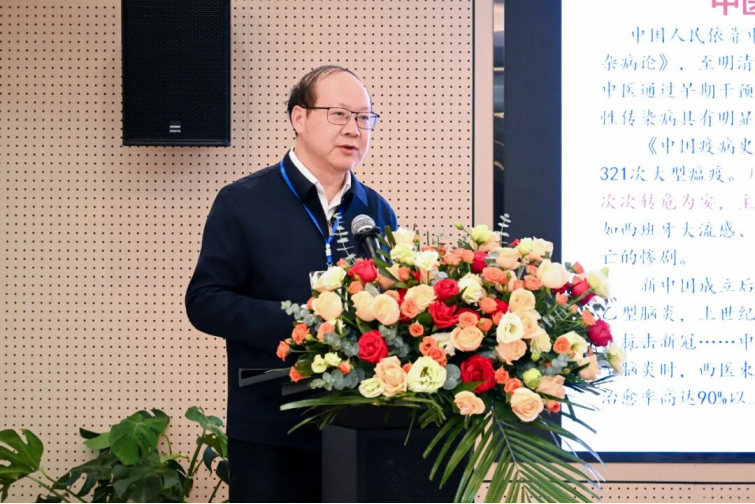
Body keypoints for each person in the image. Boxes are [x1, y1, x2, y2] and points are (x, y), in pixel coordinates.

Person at [185, 65, 399, 503]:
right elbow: (204, 301)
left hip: (361, 426)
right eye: (340, 115)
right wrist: (301, 322)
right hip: (271, 428)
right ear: (299, 118)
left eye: (364, 118)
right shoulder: (243, 201)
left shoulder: (375, 211)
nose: (354, 129)